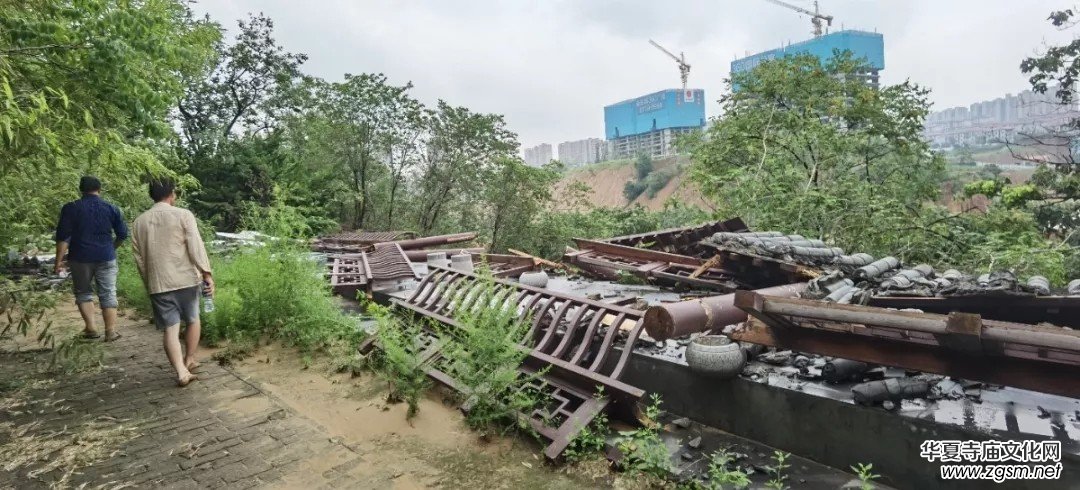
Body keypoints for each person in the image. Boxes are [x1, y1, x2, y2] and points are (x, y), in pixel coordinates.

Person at [131, 178, 214, 387]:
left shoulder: (139, 222)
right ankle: (190, 358)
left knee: (171, 328)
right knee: (193, 319)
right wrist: (206, 273)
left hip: (158, 283)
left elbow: (139, 258)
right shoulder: (183, 215)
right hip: (186, 278)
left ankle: (180, 371)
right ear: (172, 194)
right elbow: (195, 246)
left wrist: (148, 280)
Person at [54, 176, 129, 342]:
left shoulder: (71, 208)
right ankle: (110, 331)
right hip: (106, 256)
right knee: (108, 292)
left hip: (80, 257)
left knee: (83, 292)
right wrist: (112, 247)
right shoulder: (111, 208)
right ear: (99, 189)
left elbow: (64, 237)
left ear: (81, 190)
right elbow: (123, 234)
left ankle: (91, 329)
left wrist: (58, 261)